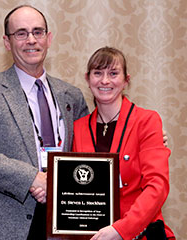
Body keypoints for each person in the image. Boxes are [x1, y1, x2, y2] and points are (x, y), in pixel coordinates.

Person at [0, 5, 89, 240]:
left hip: (60, 223)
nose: (31, 40)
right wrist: (31, 178)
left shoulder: (71, 95)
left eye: (37, 32)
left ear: (49, 39)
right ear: (7, 42)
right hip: (1, 225)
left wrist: (143, 137)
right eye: (21, 33)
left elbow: (91, 147)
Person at [72, 46, 175, 240]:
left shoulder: (147, 121)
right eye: (98, 73)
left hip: (141, 233)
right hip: (94, 235)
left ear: (126, 80)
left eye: (113, 73)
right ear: (87, 79)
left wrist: (122, 229)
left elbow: (157, 185)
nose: (104, 80)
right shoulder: (78, 128)